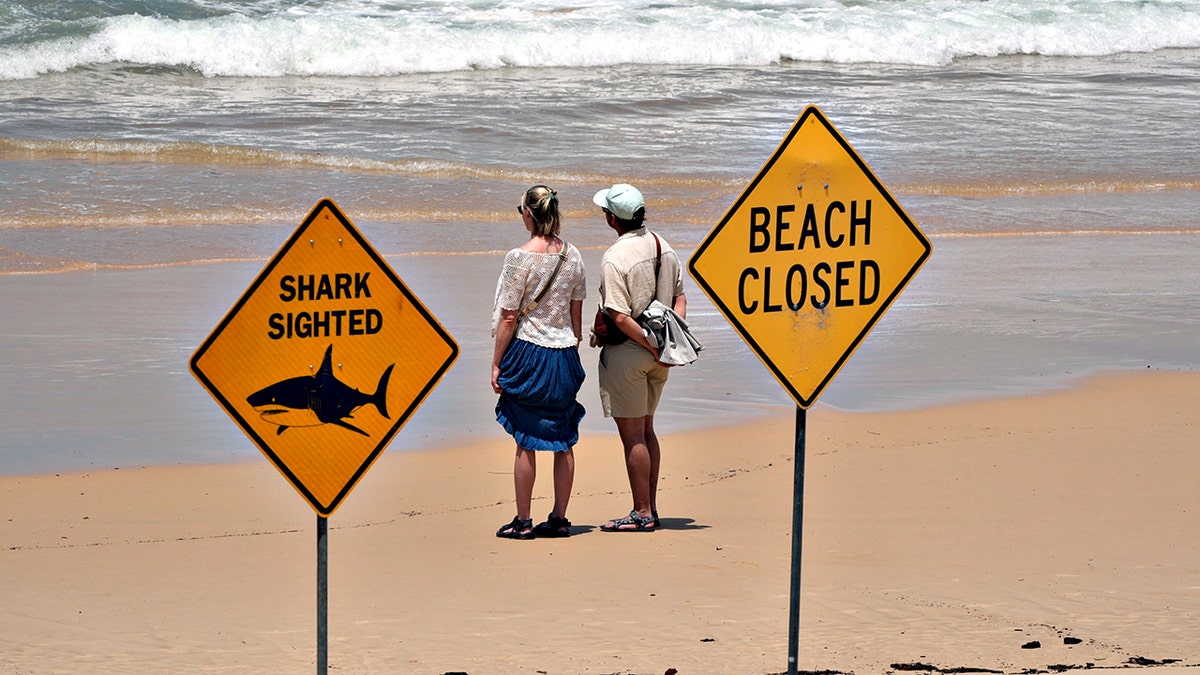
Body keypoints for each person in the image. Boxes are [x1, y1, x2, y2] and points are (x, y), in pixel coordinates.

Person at [492, 185, 587, 540]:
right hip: (563, 354)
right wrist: (572, 344)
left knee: (525, 438)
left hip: (530, 353)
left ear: (528, 214)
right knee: (564, 439)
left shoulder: (518, 257)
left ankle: (524, 520)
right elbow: (577, 309)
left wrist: (496, 363)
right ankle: (560, 518)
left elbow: (507, 317)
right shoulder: (573, 254)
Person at [590, 183, 686, 532]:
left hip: (630, 354)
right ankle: (652, 508)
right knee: (647, 430)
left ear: (613, 219)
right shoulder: (664, 245)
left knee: (632, 436)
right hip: (660, 355)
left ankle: (642, 512)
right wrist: (666, 347)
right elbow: (679, 298)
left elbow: (618, 316)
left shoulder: (615, 257)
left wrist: (648, 345)